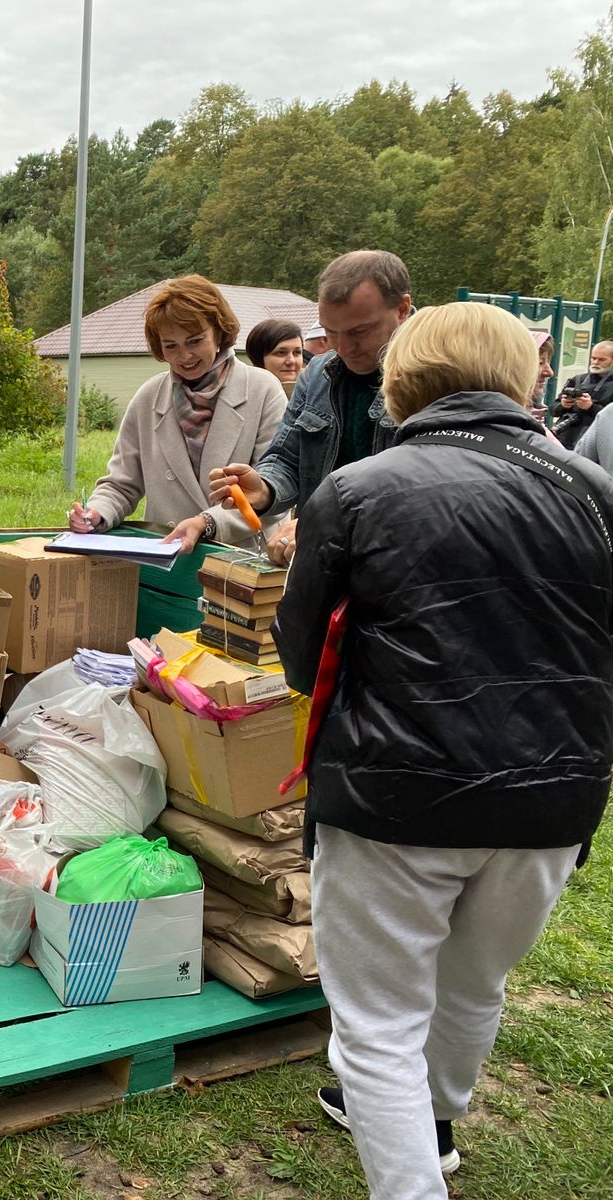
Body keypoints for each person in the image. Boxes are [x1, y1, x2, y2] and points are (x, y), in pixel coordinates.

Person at [274, 302, 613, 1200]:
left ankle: (415, 1170)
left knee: (378, 1026)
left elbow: (304, 660)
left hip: (395, 796)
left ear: (400, 380)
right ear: (527, 377)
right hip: (552, 800)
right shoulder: (599, 492)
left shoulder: (355, 490)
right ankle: (433, 1127)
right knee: (474, 984)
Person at [209, 250, 412, 565]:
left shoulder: (438, 376)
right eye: (330, 332)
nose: (342, 347)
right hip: (322, 564)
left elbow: (426, 493)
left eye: (359, 331)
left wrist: (331, 525)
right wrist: (263, 489)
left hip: (400, 568)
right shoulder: (318, 375)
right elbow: (288, 458)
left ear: (402, 309)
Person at [67, 275, 287, 550]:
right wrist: (96, 513)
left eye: (195, 341)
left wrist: (207, 523)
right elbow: (121, 485)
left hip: (238, 563)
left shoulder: (262, 389)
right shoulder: (148, 397)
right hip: (168, 563)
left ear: (218, 333)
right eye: (171, 345)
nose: (184, 356)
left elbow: (276, 491)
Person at [551, 338, 613, 450]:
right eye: (593, 358)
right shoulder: (578, 380)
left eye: (602, 359)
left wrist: (591, 407)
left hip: (596, 444)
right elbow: (553, 409)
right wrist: (563, 405)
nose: (595, 362)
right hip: (564, 439)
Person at [245, 319, 305, 396]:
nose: (291, 361)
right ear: (258, 358)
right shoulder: (245, 397)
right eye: (281, 353)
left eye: (297, 352)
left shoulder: (318, 397)